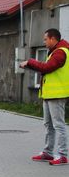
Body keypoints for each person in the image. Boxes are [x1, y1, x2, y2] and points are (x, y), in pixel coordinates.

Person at [20, 28, 69, 166]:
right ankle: (48, 152)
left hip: (57, 94)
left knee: (59, 125)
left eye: (45, 39)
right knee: (48, 125)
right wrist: (30, 65)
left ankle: (63, 155)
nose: (44, 42)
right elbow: (45, 69)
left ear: (53, 39)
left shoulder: (61, 52)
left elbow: (47, 67)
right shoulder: (55, 51)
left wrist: (29, 62)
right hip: (49, 94)